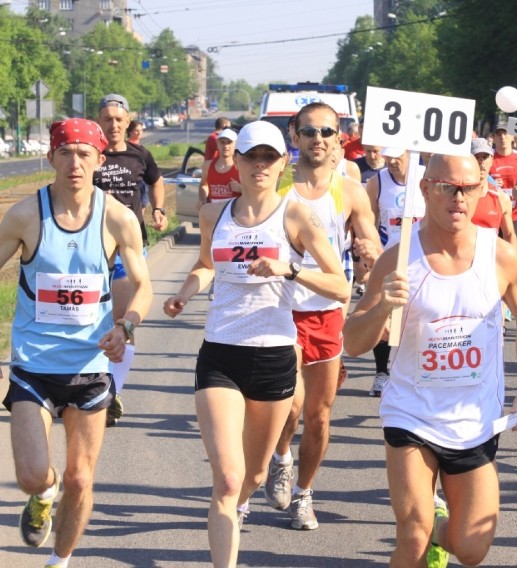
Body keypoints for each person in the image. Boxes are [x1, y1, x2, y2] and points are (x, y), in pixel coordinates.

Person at [343, 154, 517, 568]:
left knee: (471, 550)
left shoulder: (501, 255)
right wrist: (382, 308)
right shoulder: (399, 260)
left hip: (474, 418)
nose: (458, 197)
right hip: (411, 413)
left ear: (481, 190)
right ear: (425, 189)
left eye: (469, 188)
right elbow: (353, 341)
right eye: (447, 187)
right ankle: (422, 529)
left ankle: (438, 526)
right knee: (412, 539)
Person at [163, 121, 348, 567]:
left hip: (273, 355)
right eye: (252, 157)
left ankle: (246, 499)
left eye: (269, 157)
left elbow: (340, 287)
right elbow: (207, 264)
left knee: (255, 473)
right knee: (227, 479)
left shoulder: (296, 215)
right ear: (237, 163)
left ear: (283, 163)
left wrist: (289, 270)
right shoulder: (214, 214)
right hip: (220, 352)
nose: (260, 165)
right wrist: (186, 290)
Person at [1, 119, 152, 567]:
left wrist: (126, 326)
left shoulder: (118, 218)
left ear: (99, 161)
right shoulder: (27, 215)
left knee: (82, 480)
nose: (74, 163)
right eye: (65, 152)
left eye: (84, 154)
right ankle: (43, 494)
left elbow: (143, 286)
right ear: (51, 158)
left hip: (90, 366)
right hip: (34, 363)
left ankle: (60, 560)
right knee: (31, 475)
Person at [264, 102, 382, 530]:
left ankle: (304, 494)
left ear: (338, 138)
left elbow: (370, 248)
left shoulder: (350, 191)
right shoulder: (277, 189)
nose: (317, 139)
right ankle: (280, 457)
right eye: (309, 131)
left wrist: (369, 255)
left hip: (328, 314)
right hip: (280, 310)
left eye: (326, 132)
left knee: (318, 417)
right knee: (290, 407)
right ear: (294, 136)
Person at [94, 93, 167, 426]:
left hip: (129, 247)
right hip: (92, 247)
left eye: (118, 120)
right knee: (90, 317)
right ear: (99, 121)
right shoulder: (90, 154)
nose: (113, 125)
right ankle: (87, 381)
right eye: (107, 119)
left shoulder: (140, 155)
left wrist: (159, 209)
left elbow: (157, 181)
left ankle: (111, 390)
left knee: (123, 319)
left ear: (128, 122)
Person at [364, 147, 426, 397]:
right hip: (387, 259)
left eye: (396, 156)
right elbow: (369, 222)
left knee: (417, 317)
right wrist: (369, 260)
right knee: (382, 315)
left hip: (421, 259)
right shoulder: (376, 182)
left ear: (410, 154)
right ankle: (381, 372)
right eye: (388, 156)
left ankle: (416, 372)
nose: (390, 161)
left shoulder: (426, 177)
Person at [470, 138, 517, 248]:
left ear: (492, 160)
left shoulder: (501, 198)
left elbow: (509, 235)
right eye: (477, 157)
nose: (481, 161)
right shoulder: (459, 194)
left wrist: (511, 262)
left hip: (490, 258)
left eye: (485, 157)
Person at [489, 121, 517, 234]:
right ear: (493, 138)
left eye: (506, 133)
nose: (502, 137)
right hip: (494, 214)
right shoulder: (487, 158)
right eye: (498, 134)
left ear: (512, 136)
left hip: (516, 215)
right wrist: (491, 183)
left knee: (515, 250)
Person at [199, 128, 241, 207]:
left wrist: (240, 189)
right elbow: (204, 185)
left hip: (235, 215)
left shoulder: (241, 166)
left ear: (235, 144)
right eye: (222, 142)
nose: (225, 146)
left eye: (229, 142)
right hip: (215, 215)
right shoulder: (207, 165)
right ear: (217, 144)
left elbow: (255, 192)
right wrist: (202, 200)